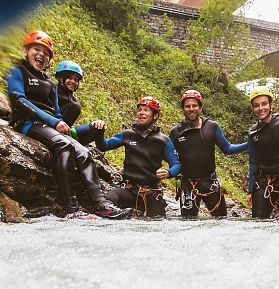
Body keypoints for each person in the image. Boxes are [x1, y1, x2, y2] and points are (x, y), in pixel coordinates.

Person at [6, 30, 132, 219]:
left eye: (46, 53)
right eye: (36, 49)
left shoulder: (49, 83)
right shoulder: (18, 70)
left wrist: (60, 124)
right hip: (28, 123)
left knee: (84, 152)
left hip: (50, 126)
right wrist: (53, 122)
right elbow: (18, 100)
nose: (41, 54)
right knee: (63, 145)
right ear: (27, 50)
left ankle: (101, 205)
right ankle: (71, 208)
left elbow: (56, 112)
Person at [95, 96, 181, 217]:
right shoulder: (127, 135)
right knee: (107, 199)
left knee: (157, 223)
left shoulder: (163, 140)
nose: (141, 113)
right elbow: (103, 146)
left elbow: (177, 164)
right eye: (139, 109)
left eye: (146, 110)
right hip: (129, 190)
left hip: (152, 192)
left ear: (155, 115)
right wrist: (99, 131)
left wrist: (168, 172)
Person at [169, 89, 247, 217]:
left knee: (221, 221)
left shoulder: (212, 127)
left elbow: (227, 148)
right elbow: (169, 156)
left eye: (194, 105)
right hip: (188, 185)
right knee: (187, 225)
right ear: (183, 109)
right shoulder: (175, 132)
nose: (191, 109)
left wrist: (248, 144)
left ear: (200, 108)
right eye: (187, 106)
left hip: (210, 183)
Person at [247, 86, 279, 219]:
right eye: (256, 105)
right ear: (253, 108)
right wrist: (250, 190)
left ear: (271, 104)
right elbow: (253, 162)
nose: (260, 108)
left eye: (264, 104)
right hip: (264, 183)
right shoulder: (252, 132)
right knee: (257, 222)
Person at [55, 60, 106, 145]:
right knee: (75, 107)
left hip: (67, 130)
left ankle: (74, 145)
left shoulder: (73, 99)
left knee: (98, 128)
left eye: (76, 80)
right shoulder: (52, 90)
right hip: (53, 126)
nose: (73, 82)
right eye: (70, 78)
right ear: (61, 78)